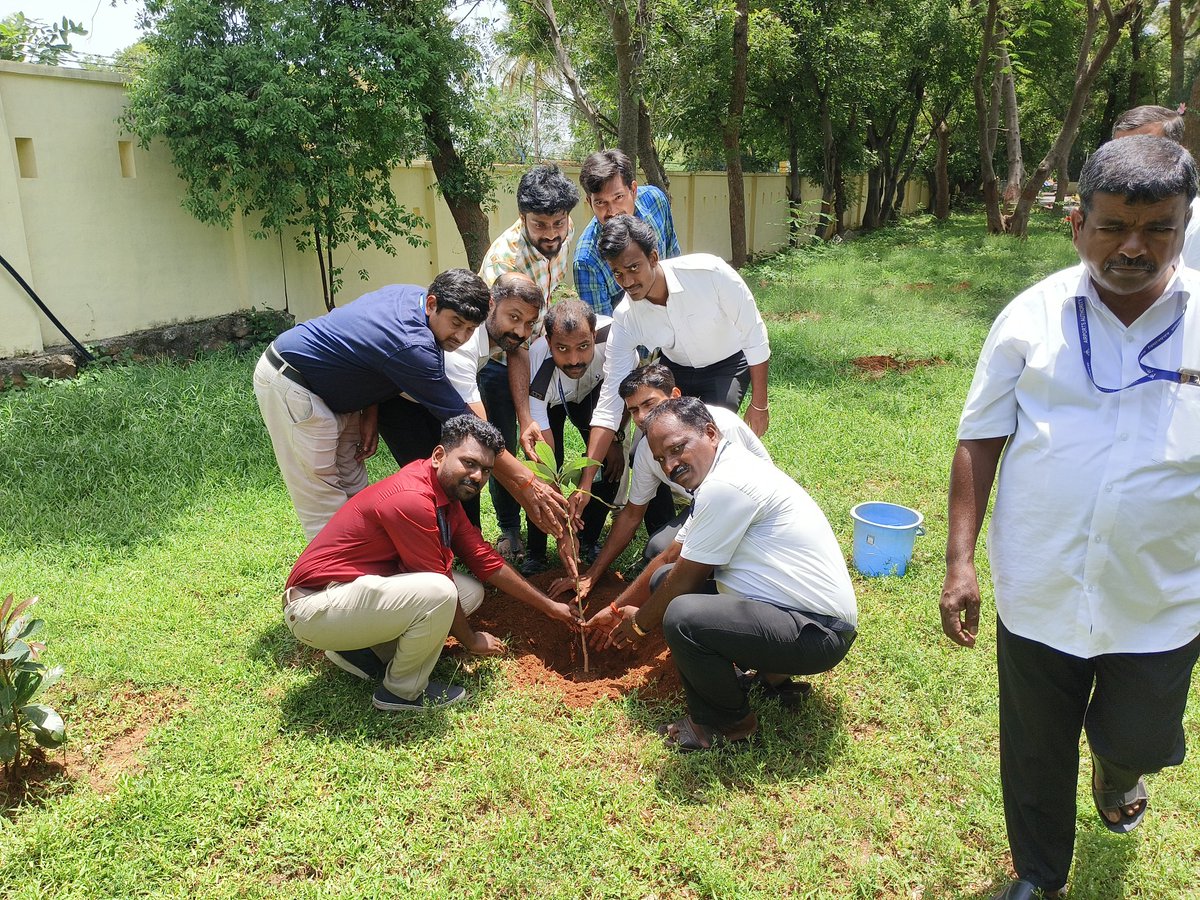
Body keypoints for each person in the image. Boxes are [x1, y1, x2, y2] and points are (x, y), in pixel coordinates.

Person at [939, 135, 1200, 900]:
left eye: (1158, 229)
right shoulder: (1030, 317)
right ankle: (1039, 878)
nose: (1133, 247)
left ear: (1185, 226)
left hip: (1161, 596)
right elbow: (980, 435)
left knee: (1142, 736)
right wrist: (961, 562)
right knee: (1034, 747)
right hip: (1041, 582)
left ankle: (1117, 771)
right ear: (1077, 223)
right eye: (1114, 225)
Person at [586, 398, 857, 751]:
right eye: (660, 460)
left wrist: (638, 625)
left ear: (711, 433)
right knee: (661, 579)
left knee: (681, 615)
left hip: (819, 634)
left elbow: (684, 583)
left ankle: (727, 724)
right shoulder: (726, 470)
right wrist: (618, 607)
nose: (670, 465)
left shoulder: (726, 484)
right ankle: (771, 675)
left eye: (677, 449)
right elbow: (674, 557)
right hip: (798, 617)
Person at [282, 416, 579, 712]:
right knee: (441, 592)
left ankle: (359, 650)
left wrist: (548, 607)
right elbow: (438, 580)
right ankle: (401, 691)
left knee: (468, 593)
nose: (477, 476)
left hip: (345, 596)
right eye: (469, 463)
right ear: (439, 455)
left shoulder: (442, 492)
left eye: (486, 471)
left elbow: (482, 558)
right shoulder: (412, 499)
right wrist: (472, 640)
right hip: (312, 607)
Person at [253, 270, 488, 539]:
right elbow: (464, 422)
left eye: (470, 329)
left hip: (340, 393)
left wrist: (370, 409)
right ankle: (329, 576)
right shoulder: (414, 346)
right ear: (433, 304)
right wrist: (523, 481)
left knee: (354, 483)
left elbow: (371, 352)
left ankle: (363, 561)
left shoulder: (413, 296)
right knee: (322, 494)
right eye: (455, 323)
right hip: (295, 384)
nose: (460, 336)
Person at [570, 214, 771, 524]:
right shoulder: (627, 316)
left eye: (634, 268)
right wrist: (585, 483)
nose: (627, 281)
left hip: (728, 363)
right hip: (675, 366)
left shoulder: (709, 273)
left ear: (653, 257)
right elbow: (611, 398)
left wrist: (760, 404)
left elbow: (754, 336)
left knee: (708, 439)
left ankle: (714, 517)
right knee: (646, 450)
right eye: (618, 273)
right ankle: (665, 531)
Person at [550, 364, 770, 601]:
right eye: (633, 410)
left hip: (753, 509)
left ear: (675, 396)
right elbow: (632, 515)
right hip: (706, 510)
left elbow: (741, 498)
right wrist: (592, 574)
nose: (642, 417)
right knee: (659, 550)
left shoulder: (720, 423)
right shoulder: (647, 449)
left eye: (649, 404)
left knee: (692, 558)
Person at [477, 165, 581, 560]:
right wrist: (524, 416)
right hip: (500, 357)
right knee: (499, 444)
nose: (552, 233)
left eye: (559, 222)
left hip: (537, 349)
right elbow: (514, 344)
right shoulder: (505, 263)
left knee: (545, 434)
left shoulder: (564, 229)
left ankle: (555, 510)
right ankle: (510, 532)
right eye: (541, 225)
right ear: (522, 218)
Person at [519, 299, 628, 575]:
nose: (574, 359)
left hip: (596, 395)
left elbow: (622, 400)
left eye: (583, 346)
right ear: (548, 341)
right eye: (562, 349)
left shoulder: (616, 342)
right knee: (542, 475)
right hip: (551, 405)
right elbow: (543, 459)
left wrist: (614, 439)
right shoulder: (538, 360)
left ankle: (588, 539)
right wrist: (560, 526)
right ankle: (537, 551)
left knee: (608, 465)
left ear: (594, 336)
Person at [443, 272, 544, 532]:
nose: (521, 331)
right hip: (400, 404)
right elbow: (482, 440)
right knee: (450, 464)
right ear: (491, 305)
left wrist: (525, 420)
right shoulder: (464, 347)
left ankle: (466, 538)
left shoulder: (492, 341)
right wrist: (534, 493)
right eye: (514, 317)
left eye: (530, 323)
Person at [572, 149, 680, 316]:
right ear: (589, 202)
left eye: (618, 197)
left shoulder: (656, 202)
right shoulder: (586, 260)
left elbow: (674, 262)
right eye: (600, 203)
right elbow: (604, 329)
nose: (612, 211)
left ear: (633, 190)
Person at [1112, 104, 1199, 269]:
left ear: (1179, 152)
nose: (1129, 161)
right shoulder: (1104, 212)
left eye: (1147, 149)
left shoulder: (1197, 225)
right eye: (1119, 151)